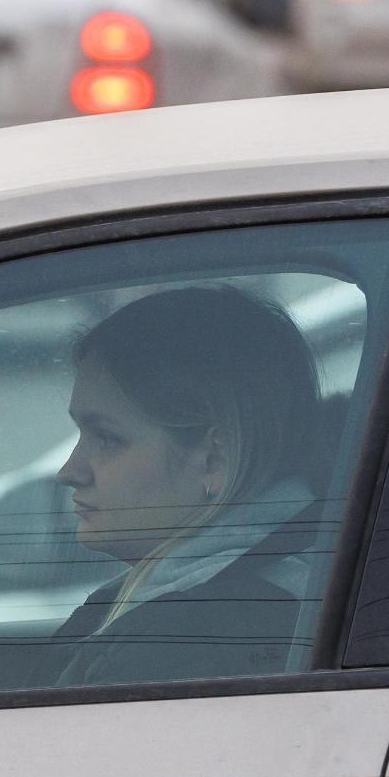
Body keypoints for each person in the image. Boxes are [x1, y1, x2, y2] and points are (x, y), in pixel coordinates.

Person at [50, 285, 325, 688]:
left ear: (214, 459)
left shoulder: (194, 641)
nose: (69, 471)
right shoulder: (206, 610)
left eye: (107, 438)